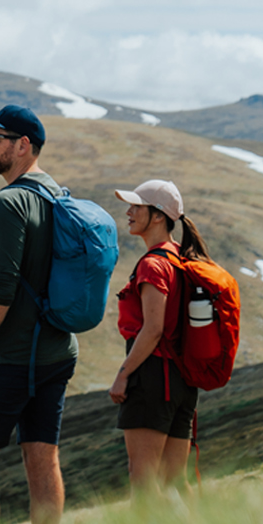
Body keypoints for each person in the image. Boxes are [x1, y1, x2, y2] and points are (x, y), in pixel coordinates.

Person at [0, 104, 76, 524]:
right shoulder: (57, 196)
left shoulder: (8, 202)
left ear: (23, 146)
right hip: (58, 351)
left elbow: (2, 286)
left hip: (12, 355)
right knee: (42, 455)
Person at [108, 179, 211, 497]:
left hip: (154, 379)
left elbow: (153, 329)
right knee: (175, 480)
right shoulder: (181, 259)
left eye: (136, 206)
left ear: (157, 216)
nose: (128, 212)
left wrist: (123, 375)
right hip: (182, 383)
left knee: (143, 477)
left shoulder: (153, 265)